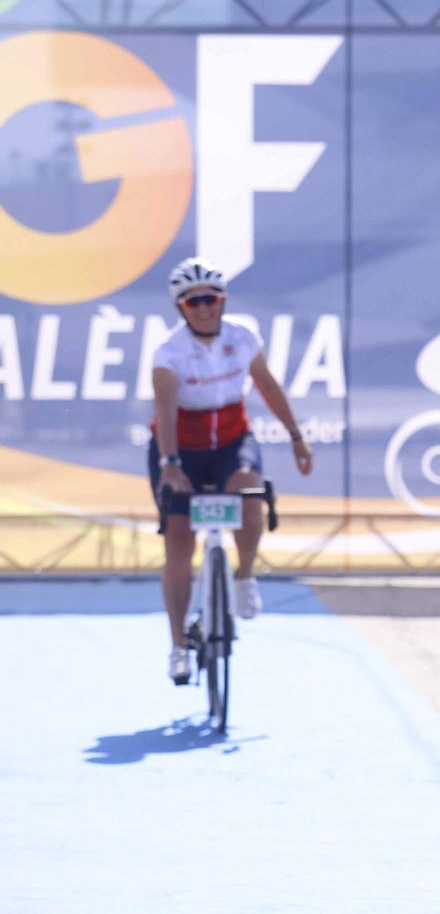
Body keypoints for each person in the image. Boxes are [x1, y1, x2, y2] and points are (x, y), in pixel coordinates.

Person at [150, 256, 315, 684]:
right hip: (179, 446)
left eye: (211, 299)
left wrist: (296, 435)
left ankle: (243, 575)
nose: (204, 307)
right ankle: (178, 646)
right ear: (181, 309)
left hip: (229, 440)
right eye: (193, 302)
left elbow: (267, 386)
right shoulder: (169, 352)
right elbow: (165, 413)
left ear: (222, 302)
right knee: (180, 543)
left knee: (249, 489)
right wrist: (170, 466)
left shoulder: (243, 337)